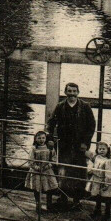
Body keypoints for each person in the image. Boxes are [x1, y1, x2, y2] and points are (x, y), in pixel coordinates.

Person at [47, 82, 96, 211]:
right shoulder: (60, 106)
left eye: (74, 91)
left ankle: (77, 200)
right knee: (63, 170)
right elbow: (51, 123)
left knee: (79, 171)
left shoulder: (85, 106)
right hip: (64, 144)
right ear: (65, 92)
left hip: (80, 145)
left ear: (78, 92)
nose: (72, 94)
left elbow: (91, 125)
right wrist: (50, 138)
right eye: (69, 91)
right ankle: (63, 198)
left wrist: (85, 142)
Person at [24, 131, 59, 213]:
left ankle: (49, 205)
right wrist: (37, 167)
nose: (41, 140)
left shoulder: (50, 148)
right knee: (37, 189)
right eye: (39, 138)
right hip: (37, 171)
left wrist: (48, 166)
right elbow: (30, 161)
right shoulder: (33, 149)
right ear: (35, 139)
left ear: (46, 139)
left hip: (47, 171)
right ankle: (38, 206)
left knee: (50, 188)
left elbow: (54, 159)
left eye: (43, 138)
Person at [86, 141, 111, 220]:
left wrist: (106, 183)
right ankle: (97, 211)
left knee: (107, 198)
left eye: (104, 149)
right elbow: (90, 165)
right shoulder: (96, 158)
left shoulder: (108, 161)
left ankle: (107, 214)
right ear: (97, 150)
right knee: (97, 197)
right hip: (96, 179)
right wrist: (90, 169)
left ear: (107, 150)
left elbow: (109, 173)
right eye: (100, 149)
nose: (102, 150)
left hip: (104, 181)